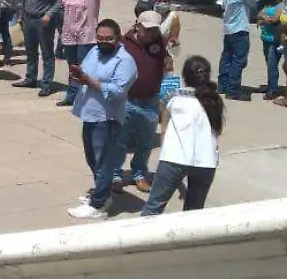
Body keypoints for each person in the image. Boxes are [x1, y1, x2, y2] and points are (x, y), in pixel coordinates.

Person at [67, 19, 138, 220]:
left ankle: (99, 205)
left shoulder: (125, 62)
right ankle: (102, 193)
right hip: (89, 113)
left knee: (105, 162)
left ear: (118, 38)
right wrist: (78, 75)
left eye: (109, 39)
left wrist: (89, 81)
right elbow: (86, 71)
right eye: (100, 38)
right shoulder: (94, 51)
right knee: (93, 158)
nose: (103, 42)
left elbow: (118, 91)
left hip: (107, 118)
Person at [140, 56, 224, 215]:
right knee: (193, 212)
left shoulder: (173, 97)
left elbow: (163, 128)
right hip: (207, 161)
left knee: (153, 208)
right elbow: (217, 130)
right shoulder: (214, 99)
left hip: (175, 158)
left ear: (184, 77)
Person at [113, 11, 169, 193]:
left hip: (150, 102)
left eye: (155, 30)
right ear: (138, 26)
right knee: (120, 140)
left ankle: (139, 173)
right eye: (147, 30)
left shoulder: (159, 42)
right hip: (127, 99)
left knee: (145, 143)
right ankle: (115, 173)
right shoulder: (123, 43)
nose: (151, 34)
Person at [56, 0, 108, 106]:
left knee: (85, 68)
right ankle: (71, 96)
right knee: (72, 67)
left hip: (87, 36)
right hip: (69, 35)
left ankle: (85, 96)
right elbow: (63, 4)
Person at [14, 0, 65, 96]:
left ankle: (47, 83)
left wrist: (50, 14)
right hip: (28, 19)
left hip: (44, 21)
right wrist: (21, 16)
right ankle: (30, 78)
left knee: (47, 53)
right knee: (30, 51)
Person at [218, 0, 259, 100]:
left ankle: (222, 85)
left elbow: (223, 4)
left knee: (226, 57)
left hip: (228, 26)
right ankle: (233, 90)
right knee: (238, 60)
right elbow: (253, 2)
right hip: (240, 27)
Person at [154, 0, 181, 66]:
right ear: (155, 2)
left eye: (165, 1)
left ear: (169, 3)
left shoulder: (173, 17)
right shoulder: (152, 14)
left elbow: (174, 39)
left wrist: (168, 57)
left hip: (165, 55)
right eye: (159, 1)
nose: (162, 3)